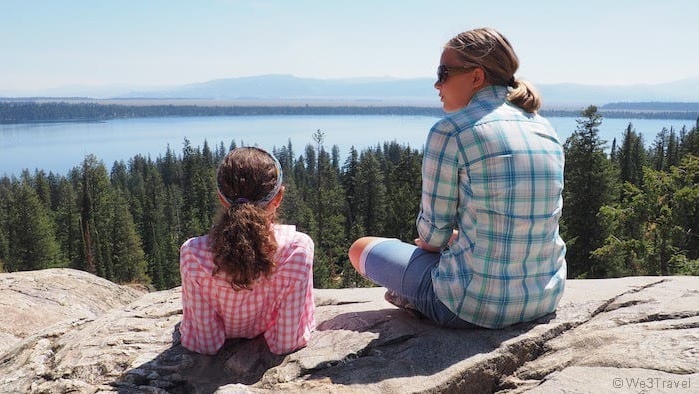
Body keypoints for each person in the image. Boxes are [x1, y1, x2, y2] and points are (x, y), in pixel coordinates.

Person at [348, 27, 566, 329]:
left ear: (476, 77)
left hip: (469, 306)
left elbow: (432, 238)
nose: (437, 84)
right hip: (544, 298)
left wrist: (441, 241)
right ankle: (411, 298)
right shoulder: (544, 129)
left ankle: (414, 299)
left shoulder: (451, 131)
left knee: (361, 248)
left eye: (443, 72)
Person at [179, 146, 315, 355]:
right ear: (278, 197)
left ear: (221, 197)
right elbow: (286, 343)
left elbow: (203, 343)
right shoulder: (297, 249)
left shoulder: (193, 253)